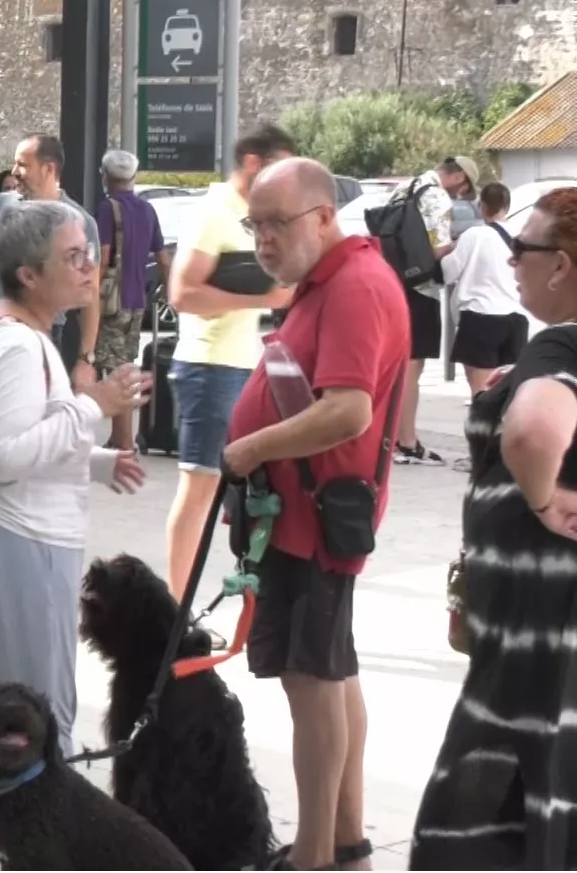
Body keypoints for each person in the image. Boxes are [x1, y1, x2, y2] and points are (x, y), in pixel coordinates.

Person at [0, 200, 148, 870]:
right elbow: (1, 455)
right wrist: (92, 408)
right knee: (45, 713)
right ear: (27, 274)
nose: (90, 267)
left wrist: (98, 460)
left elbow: (8, 447)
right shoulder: (21, 346)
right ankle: (55, 850)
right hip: (20, 541)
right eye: (73, 257)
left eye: (90, 252)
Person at [220, 158, 408, 873]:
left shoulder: (355, 286)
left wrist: (249, 449)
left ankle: (317, 856)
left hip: (315, 517)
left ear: (325, 217)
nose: (264, 240)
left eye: (278, 223)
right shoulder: (329, 282)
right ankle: (344, 837)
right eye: (256, 225)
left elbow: (346, 411)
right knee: (331, 673)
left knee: (313, 681)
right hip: (304, 513)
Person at [409, 186, 577, 870]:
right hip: (544, 640)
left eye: (521, 249)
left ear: (561, 266)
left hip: (535, 649)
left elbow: (535, 428)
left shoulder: (561, 346)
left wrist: (542, 501)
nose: (512, 262)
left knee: (476, 835)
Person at [162, 125, 297, 594]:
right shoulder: (214, 212)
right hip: (208, 365)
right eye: (279, 168)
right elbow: (182, 293)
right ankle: (177, 612)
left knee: (243, 491)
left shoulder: (250, 214)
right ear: (255, 164)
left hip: (244, 363)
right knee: (199, 490)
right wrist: (264, 300)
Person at [0, 135, 101, 385]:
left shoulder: (79, 223)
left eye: (23, 165)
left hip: (46, 332)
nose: (15, 172)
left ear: (48, 168)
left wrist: (85, 359)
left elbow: (91, 292)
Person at [382, 156, 480, 466]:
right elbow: (438, 250)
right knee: (413, 366)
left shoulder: (405, 187)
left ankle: (392, 436)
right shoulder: (437, 197)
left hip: (393, 282)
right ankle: (407, 442)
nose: (460, 194)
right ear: (458, 176)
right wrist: (461, 244)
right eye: (463, 187)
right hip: (420, 288)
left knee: (398, 364)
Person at [94, 149, 169, 449]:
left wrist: (90, 297)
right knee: (126, 365)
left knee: (115, 373)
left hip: (112, 302)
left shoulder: (107, 208)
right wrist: (168, 291)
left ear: (106, 176)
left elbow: (103, 257)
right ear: (133, 177)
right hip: (137, 301)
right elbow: (163, 258)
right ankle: (119, 437)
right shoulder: (147, 210)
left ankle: (124, 443)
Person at [440, 182, 527, 395]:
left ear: (482, 206)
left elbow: (448, 272)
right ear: (507, 206)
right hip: (517, 321)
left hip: (480, 317)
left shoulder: (474, 235)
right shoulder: (522, 237)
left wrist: (449, 249)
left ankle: (482, 429)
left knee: (481, 394)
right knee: (509, 393)